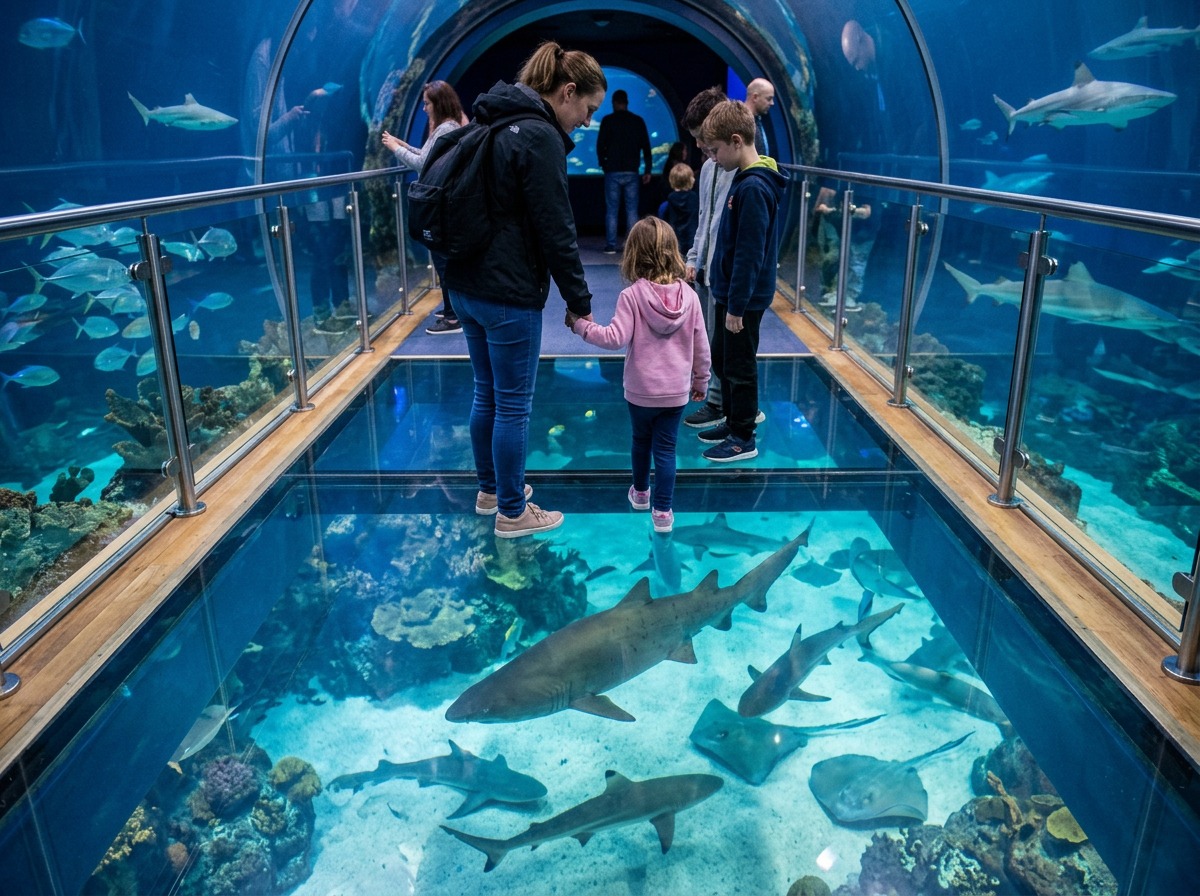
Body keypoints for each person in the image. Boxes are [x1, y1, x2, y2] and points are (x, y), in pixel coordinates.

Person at [443, 40, 605, 538]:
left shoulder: (492, 119)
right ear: (568, 91)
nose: (587, 120)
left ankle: (491, 489)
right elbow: (557, 232)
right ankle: (512, 512)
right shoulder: (539, 136)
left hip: (464, 284)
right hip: (507, 294)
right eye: (588, 108)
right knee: (513, 404)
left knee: (486, 394)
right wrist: (580, 304)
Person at [566, 217, 710, 533]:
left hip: (641, 392)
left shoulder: (632, 296)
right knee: (667, 450)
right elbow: (702, 346)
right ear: (673, 252)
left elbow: (614, 338)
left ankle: (641, 493)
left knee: (640, 441)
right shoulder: (690, 297)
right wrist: (701, 381)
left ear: (633, 254)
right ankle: (663, 513)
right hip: (675, 392)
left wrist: (580, 326)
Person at [697, 99, 787, 463]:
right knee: (723, 358)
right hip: (729, 293)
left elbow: (750, 254)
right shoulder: (743, 181)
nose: (714, 158)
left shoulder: (753, 188)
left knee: (739, 364)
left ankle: (743, 436)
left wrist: (736, 305)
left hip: (742, 300)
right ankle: (733, 421)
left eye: (716, 150)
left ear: (736, 141)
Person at [382, 80, 467, 335]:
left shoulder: (445, 129)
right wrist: (402, 143)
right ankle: (453, 310)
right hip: (444, 206)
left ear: (438, 103)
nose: (424, 109)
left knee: (444, 262)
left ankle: (453, 318)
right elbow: (426, 154)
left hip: (441, 207)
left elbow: (422, 164)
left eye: (427, 103)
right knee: (443, 261)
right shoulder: (447, 127)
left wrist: (396, 149)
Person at [680, 87, 736, 430]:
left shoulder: (739, 169)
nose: (701, 147)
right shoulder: (707, 170)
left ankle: (723, 404)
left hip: (725, 273)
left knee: (728, 346)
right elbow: (705, 220)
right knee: (709, 340)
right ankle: (719, 400)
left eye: (704, 139)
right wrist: (693, 259)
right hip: (705, 270)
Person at [596, 89, 653, 254]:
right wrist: (647, 170)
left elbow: (600, 146)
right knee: (631, 210)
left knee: (612, 210)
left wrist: (604, 165)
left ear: (614, 103)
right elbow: (646, 147)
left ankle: (611, 245)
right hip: (631, 172)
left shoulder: (607, 121)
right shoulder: (638, 121)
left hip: (612, 171)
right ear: (627, 102)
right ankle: (632, 247)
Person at [661, 163, 698, 253]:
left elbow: (664, 217)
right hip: (692, 239)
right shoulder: (694, 197)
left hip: (675, 239)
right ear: (691, 180)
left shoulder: (670, 198)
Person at [745, 77, 776, 157]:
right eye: (769, 99)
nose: (772, 103)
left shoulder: (757, 119)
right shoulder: (741, 122)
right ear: (755, 97)